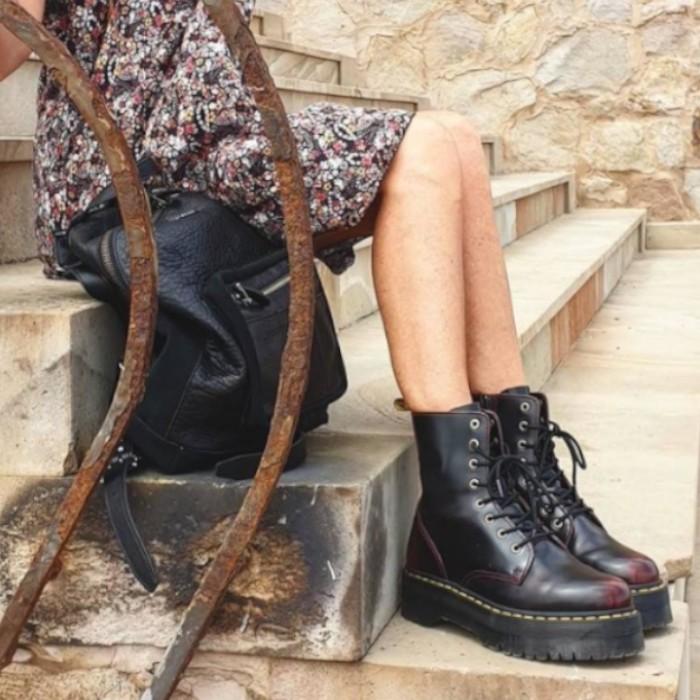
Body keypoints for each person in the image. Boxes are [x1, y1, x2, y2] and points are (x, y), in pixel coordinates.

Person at [1, 0, 671, 662]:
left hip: (215, 138)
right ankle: (459, 514)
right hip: (132, 169)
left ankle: (521, 478)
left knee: (456, 139)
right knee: (426, 150)